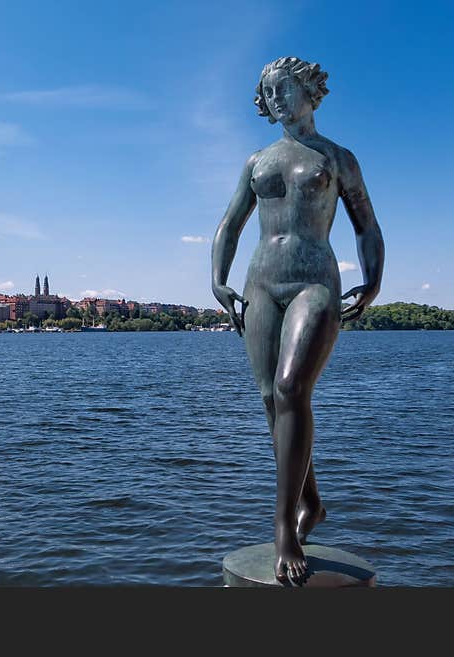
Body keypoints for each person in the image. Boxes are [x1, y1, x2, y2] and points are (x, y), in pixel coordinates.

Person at [211, 56, 385, 585]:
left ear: (309, 91)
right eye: (269, 92)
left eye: (284, 87)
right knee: (270, 398)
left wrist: (373, 280)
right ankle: (311, 502)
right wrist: (218, 278)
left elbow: (367, 225)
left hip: (315, 283)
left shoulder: (336, 158)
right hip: (260, 282)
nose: (277, 98)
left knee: (291, 389)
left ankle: (284, 524)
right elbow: (229, 224)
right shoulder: (257, 161)